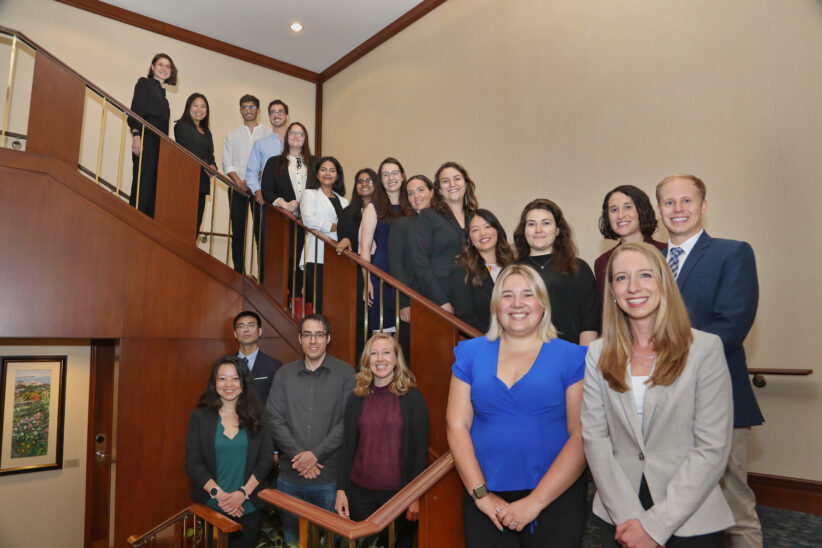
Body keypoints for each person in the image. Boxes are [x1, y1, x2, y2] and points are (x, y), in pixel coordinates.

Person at [581, 242, 734, 547]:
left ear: (663, 283)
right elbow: (595, 440)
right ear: (611, 290)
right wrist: (628, 516)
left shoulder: (704, 349)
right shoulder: (597, 353)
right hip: (618, 511)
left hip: (689, 513)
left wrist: (655, 525)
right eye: (621, 278)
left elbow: (712, 448)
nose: (633, 287)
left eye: (645, 275)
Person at [446, 264, 589, 547]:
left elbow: (581, 435)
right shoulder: (470, 352)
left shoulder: (572, 356)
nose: (517, 304)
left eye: (527, 294)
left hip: (554, 497)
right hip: (486, 498)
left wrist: (535, 502)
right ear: (496, 304)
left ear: (543, 304)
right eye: (507, 295)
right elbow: (456, 425)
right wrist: (481, 494)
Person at [656, 174, 763, 547]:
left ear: (703, 206)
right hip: (659, 406)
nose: (678, 210)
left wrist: (666, 358)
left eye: (687, 201)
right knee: (670, 504)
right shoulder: (650, 263)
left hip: (719, 399)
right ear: (659, 210)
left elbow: (731, 327)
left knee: (734, 504)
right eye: (669, 203)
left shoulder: (732, 253)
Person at [267, 313, 356, 545]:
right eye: (307, 335)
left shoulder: (346, 373)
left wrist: (315, 456)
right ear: (299, 339)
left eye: (319, 335)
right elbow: (274, 419)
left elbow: (349, 421)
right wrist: (301, 457)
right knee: (294, 542)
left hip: (329, 479)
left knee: (331, 542)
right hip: (290, 477)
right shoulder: (284, 375)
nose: (313, 341)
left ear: (328, 338)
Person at [335, 333, 429, 548]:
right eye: (374, 353)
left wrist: (415, 497)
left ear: (397, 359)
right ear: (367, 360)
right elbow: (347, 447)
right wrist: (341, 490)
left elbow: (420, 452)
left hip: (399, 498)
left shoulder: (414, 398)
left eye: (386, 352)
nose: (380, 359)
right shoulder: (356, 397)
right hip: (359, 496)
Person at [185, 355, 273, 548]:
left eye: (235, 378)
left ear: (243, 382)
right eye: (222, 378)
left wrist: (243, 493)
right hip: (211, 507)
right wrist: (220, 495)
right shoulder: (199, 416)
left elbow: (266, 458)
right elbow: (192, 462)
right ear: (214, 382)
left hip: (248, 507)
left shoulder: (259, 415)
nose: (228, 384)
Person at [513, 199, 600, 346]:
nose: (538, 230)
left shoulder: (579, 268)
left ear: (558, 229)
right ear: (524, 230)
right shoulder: (512, 272)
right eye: (531, 224)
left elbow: (590, 321)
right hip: (523, 357)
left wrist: (583, 359)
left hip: (571, 355)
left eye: (546, 223)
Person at [412, 161, 479, 312]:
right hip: (441, 297)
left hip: (473, 295)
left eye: (457, 178)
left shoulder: (476, 217)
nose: (452, 184)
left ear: (466, 184)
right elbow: (419, 262)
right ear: (440, 190)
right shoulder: (428, 216)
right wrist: (441, 301)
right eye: (445, 181)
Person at [260, 122, 315, 304]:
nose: (296, 136)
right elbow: (266, 191)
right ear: (286, 137)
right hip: (285, 221)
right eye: (293, 133)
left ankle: (306, 299)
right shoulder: (274, 162)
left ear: (305, 139)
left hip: (312, 223)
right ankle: (292, 297)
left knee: (310, 262)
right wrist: (285, 204)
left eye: (301, 133)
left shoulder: (315, 163)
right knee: (290, 259)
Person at [222, 95, 273, 274]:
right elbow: (227, 163)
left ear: (258, 110)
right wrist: (239, 181)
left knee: (262, 235)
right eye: (244, 107)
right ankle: (239, 273)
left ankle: (263, 278)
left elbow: (272, 161)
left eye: (252, 107)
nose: (248, 110)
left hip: (260, 190)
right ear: (240, 110)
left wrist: (255, 180)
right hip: (238, 189)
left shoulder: (268, 133)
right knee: (238, 233)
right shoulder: (232, 134)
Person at [594, 185, 667, 298]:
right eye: (614, 210)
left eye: (627, 207)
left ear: (641, 211)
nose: (620, 215)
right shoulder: (602, 262)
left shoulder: (666, 252)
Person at [244, 99, 289, 280]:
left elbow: (303, 169)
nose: (276, 115)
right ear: (268, 116)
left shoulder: (295, 142)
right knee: (265, 243)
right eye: (273, 112)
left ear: (286, 115)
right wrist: (257, 191)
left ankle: (288, 287)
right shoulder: (261, 144)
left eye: (280, 111)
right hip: (267, 201)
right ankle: (266, 282)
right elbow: (251, 172)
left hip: (291, 203)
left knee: (289, 246)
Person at [451, 209, 515, 333]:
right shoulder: (462, 270)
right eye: (475, 230)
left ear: (497, 230)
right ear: (469, 238)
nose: (483, 233)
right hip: (485, 340)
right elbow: (465, 316)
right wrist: (497, 337)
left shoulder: (514, 265)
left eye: (487, 226)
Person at [128, 53, 176, 217]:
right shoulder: (144, 83)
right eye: (160, 65)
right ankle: (136, 220)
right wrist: (136, 135)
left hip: (159, 146)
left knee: (154, 188)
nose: (164, 68)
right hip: (145, 140)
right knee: (143, 184)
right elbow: (136, 111)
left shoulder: (165, 99)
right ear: (152, 67)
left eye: (168, 66)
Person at [359, 158, 403, 333]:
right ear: (380, 179)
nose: (390, 178)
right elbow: (365, 246)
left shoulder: (411, 206)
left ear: (403, 176)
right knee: (383, 335)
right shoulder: (373, 207)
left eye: (394, 173)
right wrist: (367, 280)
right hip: (381, 274)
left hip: (407, 275)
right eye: (385, 174)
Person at [300, 156, 348, 313]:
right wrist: (333, 227)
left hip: (340, 255)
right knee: (319, 301)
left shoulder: (345, 201)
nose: (328, 173)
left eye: (332, 170)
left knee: (336, 301)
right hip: (317, 255)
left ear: (338, 175)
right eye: (323, 169)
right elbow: (308, 219)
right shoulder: (309, 194)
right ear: (317, 174)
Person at [174, 93, 218, 234]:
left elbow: (210, 155)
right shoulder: (181, 125)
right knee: (182, 223)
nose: (199, 109)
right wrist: (206, 164)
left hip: (202, 182)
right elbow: (188, 149)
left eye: (203, 106)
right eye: (195, 105)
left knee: (195, 226)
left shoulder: (207, 132)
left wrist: (214, 167)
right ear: (188, 107)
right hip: (186, 181)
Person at [232, 310, 282, 403]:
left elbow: (277, 402)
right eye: (241, 326)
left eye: (251, 325)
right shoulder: (225, 364)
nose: (246, 330)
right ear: (235, 333)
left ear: (260, 331)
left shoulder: (274, 366)